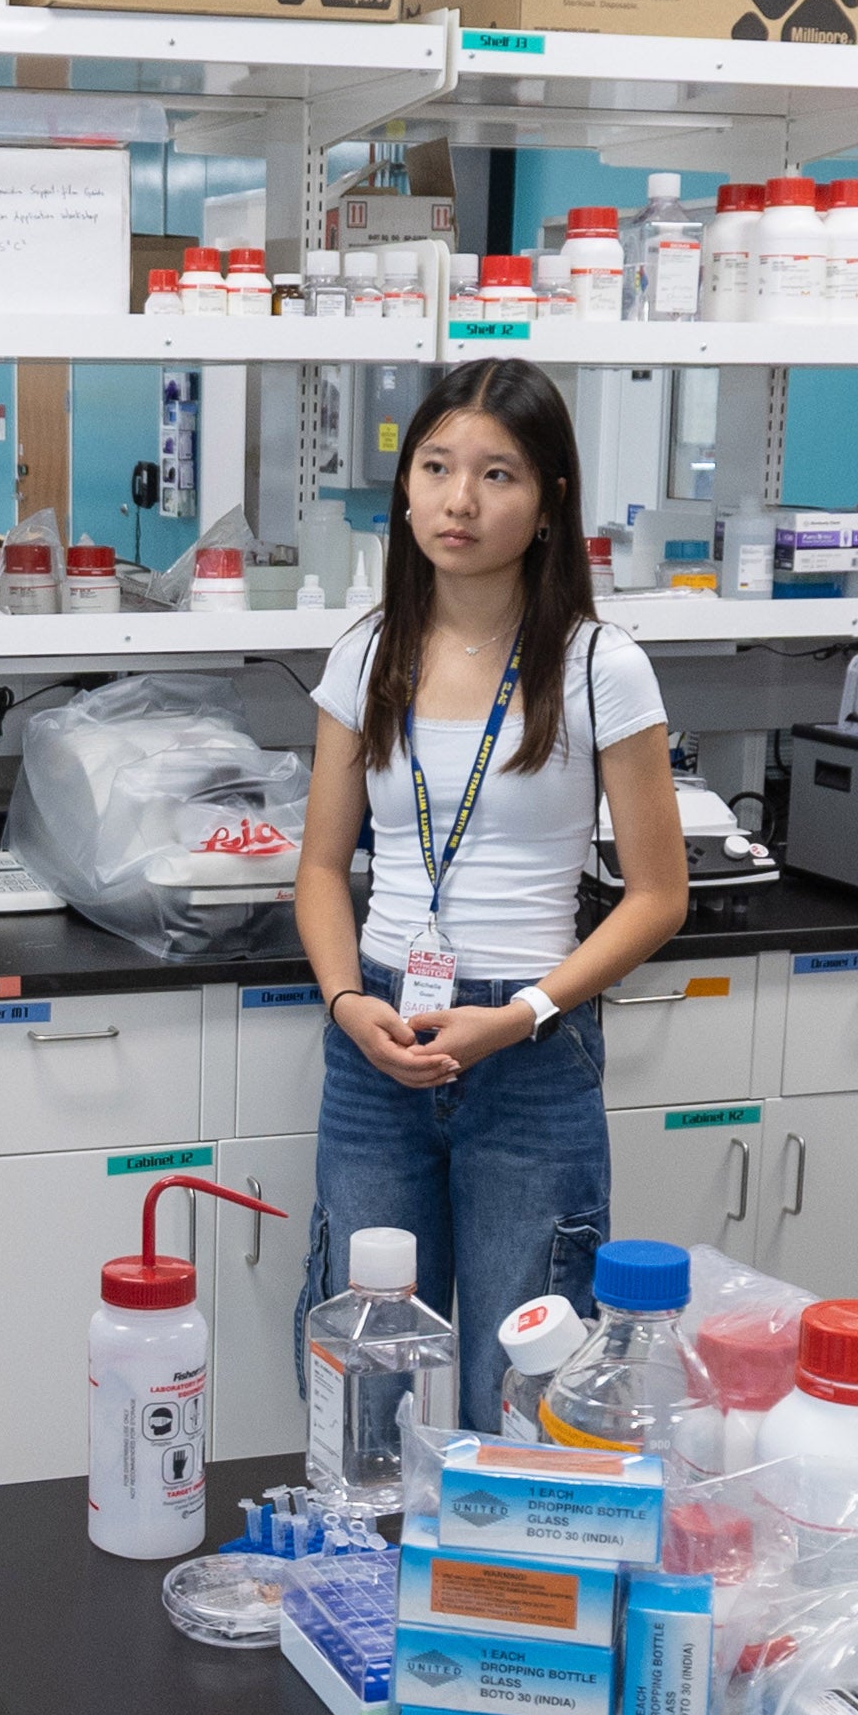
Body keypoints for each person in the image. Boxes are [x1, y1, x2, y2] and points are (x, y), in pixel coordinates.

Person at [293, 359, 689, 1428]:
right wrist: (346, 1002)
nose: (458, 499)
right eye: (435, 467)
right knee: (364, 1375)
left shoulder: (599, 665)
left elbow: (658, 895)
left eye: (496, 473)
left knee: (520, 1379)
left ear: (548, 500)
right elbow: (321, 868)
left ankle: (502, 1542)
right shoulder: (365, 654)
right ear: (404, 487)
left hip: (530, 1043)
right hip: (376, 1037)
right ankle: (369, 1538)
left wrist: (519, 1015)